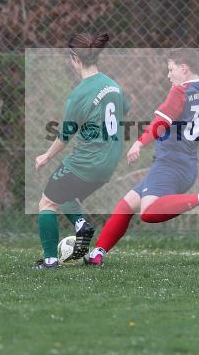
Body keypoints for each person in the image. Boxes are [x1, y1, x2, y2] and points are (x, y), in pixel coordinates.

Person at [84, 48, 199, 266]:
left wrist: (139, 143)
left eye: (171, 69)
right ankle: (97, 254)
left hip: (169, 165)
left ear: (184, 68)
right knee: (126, 205)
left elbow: (160, 124)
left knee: (148, 211)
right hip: (185, 166)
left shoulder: (181, 91)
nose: (169, 75)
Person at [31, 31, 128, 269]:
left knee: (47, 203)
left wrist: (45, 156)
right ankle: (81, 225)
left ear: (75, 58)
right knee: (65, 193)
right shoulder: (114, 87)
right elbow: (123, 110)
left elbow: (65, 136)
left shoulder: (79, 95)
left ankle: (51, 260)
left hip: (87, 161)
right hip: (109, 161)